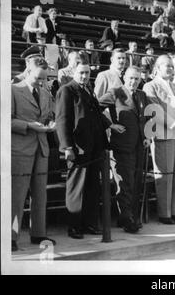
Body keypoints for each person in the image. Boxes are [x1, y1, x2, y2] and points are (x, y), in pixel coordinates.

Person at [55, 61, 124, 239]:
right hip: (78, 148)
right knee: (77, 188)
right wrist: (67, 147)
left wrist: (110, 124)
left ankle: (90, 224)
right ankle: (75, 227)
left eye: (87, 73)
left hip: (95, 147)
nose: (84, 76)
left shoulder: (88, 89)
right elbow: (63, 120)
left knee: (93, 187)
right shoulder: (67, 90)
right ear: (73, 72)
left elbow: (96, 114)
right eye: (81, 73)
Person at [11, 58, 56, 252]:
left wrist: (51, 125)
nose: (41, 82)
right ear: (28, 71)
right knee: (17, 196)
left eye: (44, 79)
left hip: (41, 147)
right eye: (38, 78)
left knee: (40, 195)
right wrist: (28, 125)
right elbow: (6, 120)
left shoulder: (45, 93)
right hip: (20, 149)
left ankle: (38, 233)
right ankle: (11, 237)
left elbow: (49, 116)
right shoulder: (13, 90)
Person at [98, 66, 150, 233]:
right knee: (125, 182)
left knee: (136, 182)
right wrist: (110, 125)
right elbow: (95, 107)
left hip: (139, 146)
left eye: (137, 79)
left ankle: (131, 216)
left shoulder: (142, 95)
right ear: (124, 77)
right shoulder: (116, 92)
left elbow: (147, 117)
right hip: (122, 145)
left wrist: (147, 136)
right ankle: (126, 218)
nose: (133, 81)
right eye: (131, 78)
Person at [142, 55, 175, 224]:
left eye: (171, 66)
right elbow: (155, 109)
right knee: (165, 174)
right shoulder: (150, 86)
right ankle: (165, 213)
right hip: (164, 133)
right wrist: (173, 125)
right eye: (166, 66)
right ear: (157, 68)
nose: (170, 68)